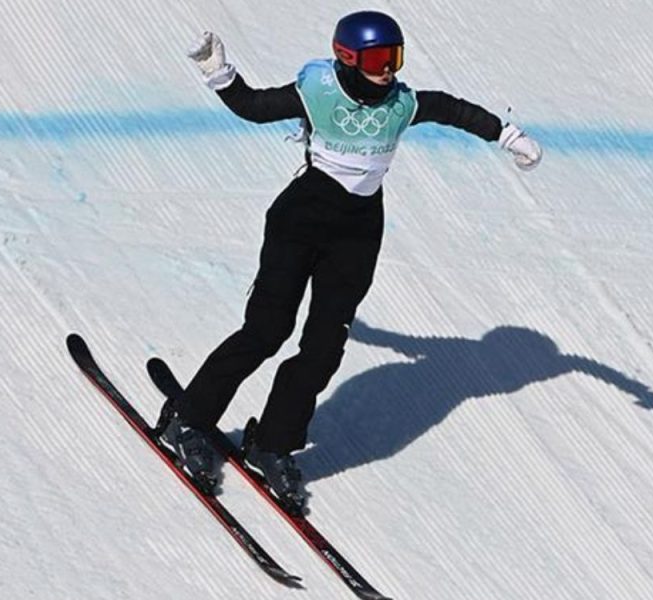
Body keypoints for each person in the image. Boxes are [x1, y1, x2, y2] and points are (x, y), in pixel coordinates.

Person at [160, 10, 542, 514]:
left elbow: (451, 109)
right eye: (380, 59)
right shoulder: (317, 91)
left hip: (358, 233)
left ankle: (272, 443)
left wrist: (507, 135)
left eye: (395, 57)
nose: (389, 70)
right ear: (347, 57)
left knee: (324, 346)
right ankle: (188, 418)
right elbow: (253, 107)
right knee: (267, 330)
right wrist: (219, 72)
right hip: (300, 221)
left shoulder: (401, 104)